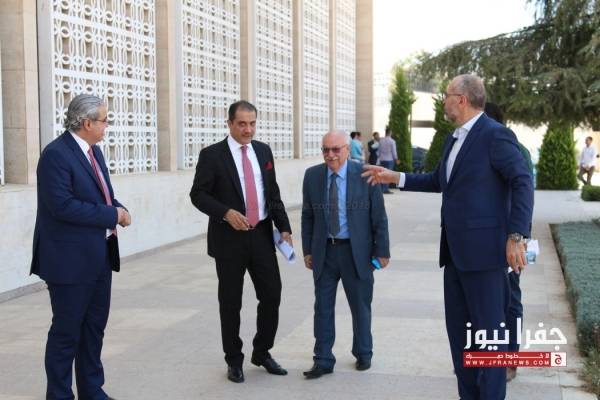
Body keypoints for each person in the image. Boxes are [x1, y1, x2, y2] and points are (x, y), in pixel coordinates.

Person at [362, 75, 534, 400]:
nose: (444, 101)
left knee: (489, 341)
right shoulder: (453, 139)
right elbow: (438, 180)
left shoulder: (495, 135)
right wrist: (395, 176)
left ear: (463, 99)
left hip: (485, 257)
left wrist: (516, 235)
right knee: (460, 340)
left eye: (447, 95)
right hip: (454, 257)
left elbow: (522, 181)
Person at [31, 94, 131, 400]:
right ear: (87, 123)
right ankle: (59, 395)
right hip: (68, 262)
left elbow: (102, 195)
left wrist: (119, 208)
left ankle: (92, 390)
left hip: (99, 256)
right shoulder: (55, 155)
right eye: (104, 120)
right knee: (66, 332)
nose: (107, 126)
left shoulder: (94, 152)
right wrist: (112, 215)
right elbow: (62, 206)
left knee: (93, 329)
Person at [189, 100, 292, 383]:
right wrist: (225, 213)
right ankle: (234, 360)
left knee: (272, 294)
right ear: (230, 124)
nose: (248, 130)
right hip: (229, 239)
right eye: (242, 124)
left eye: (252, 123)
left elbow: (272, 193)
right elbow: (198, 194)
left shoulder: (263, 151)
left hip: (261, 235)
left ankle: (262, 352)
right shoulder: (212, 155)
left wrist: (284, 226)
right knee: (231, 302)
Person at [301, 130, 390, 379]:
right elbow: (308, 215)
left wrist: (382, 251)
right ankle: (322, 359)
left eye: (336, 149)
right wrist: (308, 250)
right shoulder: (312, 176)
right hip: (325, 252)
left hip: (356, 253)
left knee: (360, 306)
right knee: (322, 307)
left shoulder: (365, 174)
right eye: (325, 150)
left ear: (347, 150)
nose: (330, 155)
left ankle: (363, 352)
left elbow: (379, 216)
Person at [485, 101, 533, 382]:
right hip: (487, 238)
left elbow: (524, 194)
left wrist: (517, 237)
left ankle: (509, 361)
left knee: (510, 299)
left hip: (510, 240)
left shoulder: (513, 149)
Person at [377, 127, 399, 194]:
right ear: (390, 132)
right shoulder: (392, 141)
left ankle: (381, 189)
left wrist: (379, 158)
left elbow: (378, 151)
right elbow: (394, 152)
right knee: (388, 174)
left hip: (382, 159)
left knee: (382, 174)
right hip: (389, 160)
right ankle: (385, 189)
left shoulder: (381, 141)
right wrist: (396, 159)